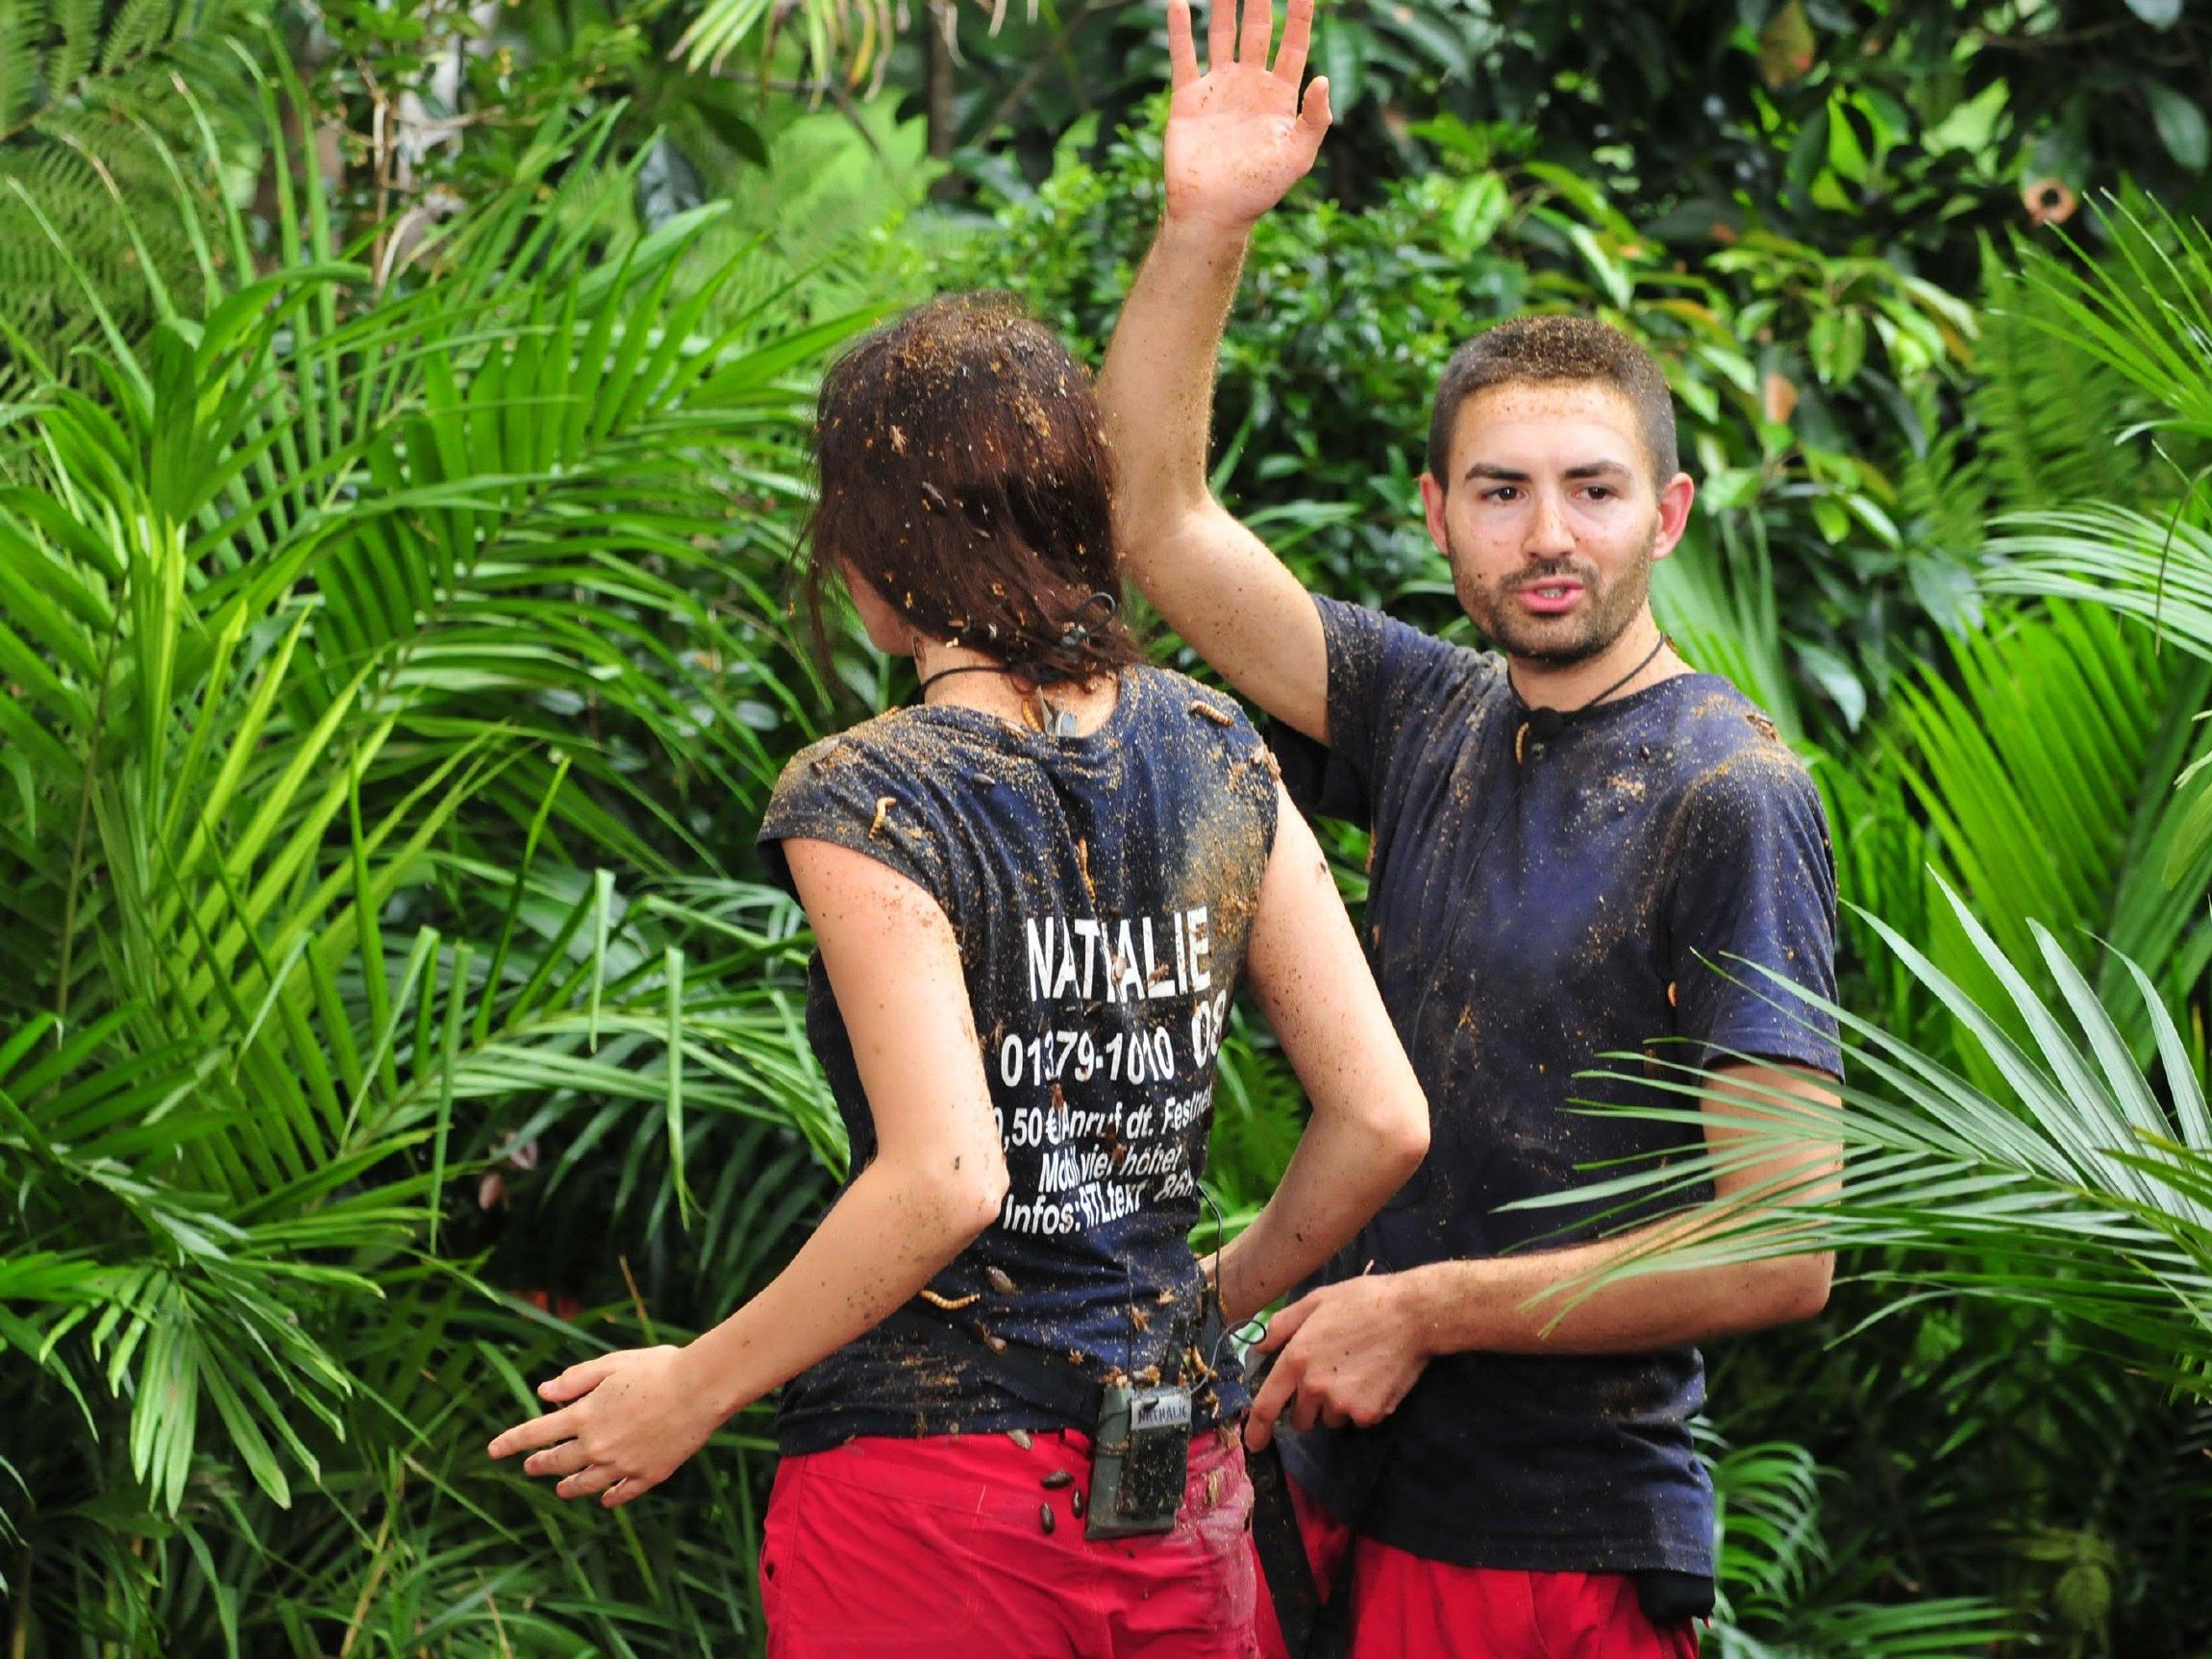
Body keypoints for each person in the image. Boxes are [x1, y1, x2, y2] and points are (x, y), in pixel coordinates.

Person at [487, 292, 1430, 1659]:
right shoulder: (1223, 747)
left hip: (934, 1505)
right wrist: (1184, 1303)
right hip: (1179, 1491)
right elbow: (1382, 1119)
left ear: (869, 559)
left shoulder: (871, 791)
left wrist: (692, 1386)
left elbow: (946, 1175)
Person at [1095, 4, 1847, 1655]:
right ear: (1436, 516)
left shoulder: (1731, 793)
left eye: (1590, 488)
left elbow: (1786, 1241)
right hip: (1346, 1470)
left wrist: (1425, 1309)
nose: (1547, 534)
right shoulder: (1425, 707)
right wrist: (1203, 224)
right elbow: (1155, 518)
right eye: (1498, 491)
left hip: (1550, 1535)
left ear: (1665, 515)